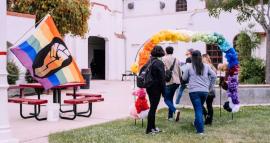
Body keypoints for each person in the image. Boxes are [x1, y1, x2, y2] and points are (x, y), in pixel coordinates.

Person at [182, 50, 216, 134]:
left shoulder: (189, 67)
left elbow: (184, 78)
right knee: (199, 107)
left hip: (194, 91)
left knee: (198, 109)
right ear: (200, 57)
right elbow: (214, 76)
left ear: (192, 57)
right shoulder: (207, 66)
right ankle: (197, 123)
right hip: (205, 91)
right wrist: (210, 86)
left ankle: (200, 130)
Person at [145, 45, 165, 134]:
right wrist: (164, 91)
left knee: (153, 107)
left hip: (149, 87)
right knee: (153, 108)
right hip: (156, 88)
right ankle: (149, 129)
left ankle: (152, 127)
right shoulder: (159, 63)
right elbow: (162, 78)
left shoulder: (149, 61)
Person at [162, 46, 181, 121]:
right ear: (172, 51)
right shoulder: (176, 59)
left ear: (166, 51)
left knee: (166, 99)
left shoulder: (163, 59)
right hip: (177, 81)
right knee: (170, 98)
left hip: (168, 81)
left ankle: (175, 111)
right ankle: (170, 117)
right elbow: (180, 70)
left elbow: (163, 70)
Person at [202, 54, 217, 125]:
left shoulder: (208, 67)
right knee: (209, 105)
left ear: (206, 58)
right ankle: (209, 119)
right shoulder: (211, 66)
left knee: (202, 104)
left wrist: (209, 87)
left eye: (202, 58)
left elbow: (213, 77)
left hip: (208, 89)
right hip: (209, 89)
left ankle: (207, 117)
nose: (201, 60)